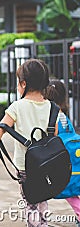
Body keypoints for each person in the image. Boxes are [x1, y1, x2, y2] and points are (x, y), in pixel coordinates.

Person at [0, 59, 52, 227]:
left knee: (30, 203)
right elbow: (56, 137)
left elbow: (0, 129)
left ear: (23, 84)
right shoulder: (52, 108)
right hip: (47, 165)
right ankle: (43, 223)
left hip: (25, 167)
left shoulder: (17, 107)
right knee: (43, 199)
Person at [45, 80, 80, 226]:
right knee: (73, 190)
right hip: (73, 161)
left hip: (62, 162)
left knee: (69, 191)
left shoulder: (51, 116)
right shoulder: (63, 116)